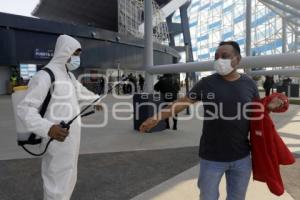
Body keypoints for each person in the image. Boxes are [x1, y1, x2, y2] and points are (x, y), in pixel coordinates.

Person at [139, 41, 284, 200]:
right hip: (211, 157)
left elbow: (256, 113)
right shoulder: (206, 83)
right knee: (208, 197)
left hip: (241, 157)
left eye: (225, 56)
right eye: (216, 57)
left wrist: (269, 108)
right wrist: (157, 117)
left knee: (237, 197)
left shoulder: (249, 84)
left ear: (238, 59)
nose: (219, 60)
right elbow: (183, 102)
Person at [17, 35, 102, 200]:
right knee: (55, 179)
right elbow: (25, 109)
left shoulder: (68, 75)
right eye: (75, 53)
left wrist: (95, 99)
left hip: (71, 136)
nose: (77, 58)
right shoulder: (45, 76)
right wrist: (48, 128)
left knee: (69, 175)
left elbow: (80, 90)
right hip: (55, 136)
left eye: (79, 54)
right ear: (65, 52)